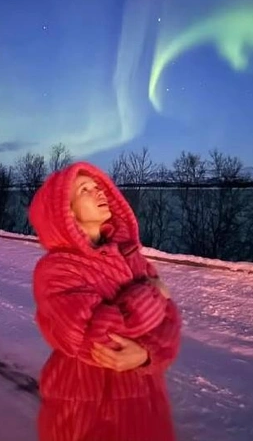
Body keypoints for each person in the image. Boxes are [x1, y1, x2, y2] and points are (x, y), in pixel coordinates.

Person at [29, 161, 181, 441]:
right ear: (65, 212)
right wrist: (152, 293)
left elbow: (171, 320)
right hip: (88, 413)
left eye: (98, 186)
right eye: (85, 190)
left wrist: (147, 354)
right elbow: (95, 337)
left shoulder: (130, 256)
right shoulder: (57, 269)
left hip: (147, 408)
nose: (98, 192)